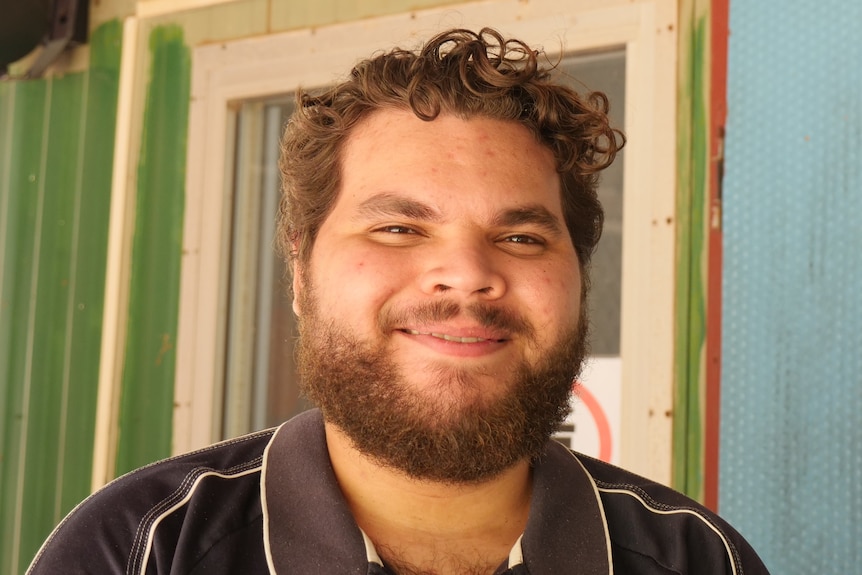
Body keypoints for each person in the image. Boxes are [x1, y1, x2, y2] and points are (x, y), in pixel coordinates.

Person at [28, 28, 769, 575]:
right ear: (299, 272)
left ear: (578, 275)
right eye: (397, 227)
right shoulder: (138, 549)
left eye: (519, 237)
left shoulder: (700, 558)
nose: (466, 274)